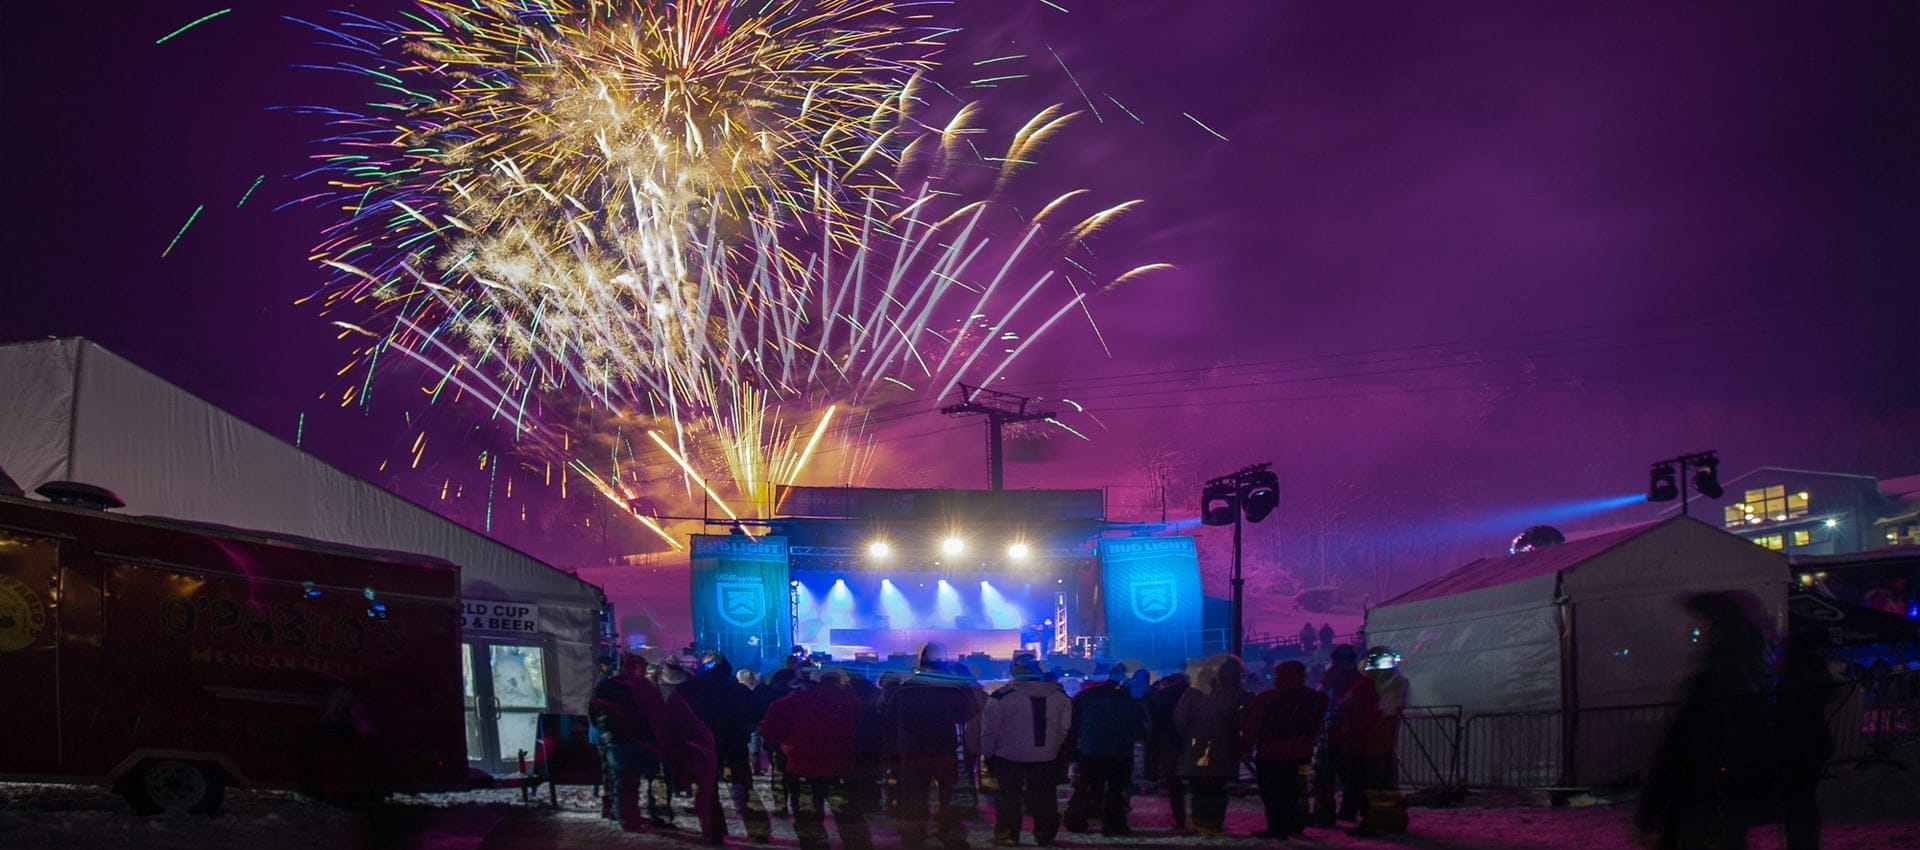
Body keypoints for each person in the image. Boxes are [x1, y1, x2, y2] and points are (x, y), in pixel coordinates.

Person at [1637, 592, 1778, 850]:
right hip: (1725, 796)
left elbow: (1678, 745)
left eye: (1706, 629)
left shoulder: (1712, 683)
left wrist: (1651, 803)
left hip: (1702, 794)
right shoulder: (1747, 682)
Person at [882, 643, 982, 850]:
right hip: (944, 748)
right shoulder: (951, 689)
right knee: (950, 797)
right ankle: (951, 836)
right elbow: (968, 712)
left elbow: (889, 715)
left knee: (913, 796)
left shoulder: (905, 689)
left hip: (912, 751)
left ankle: (914, 838)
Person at [761, 668, 873, 850]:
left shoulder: (788, 703)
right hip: (840, 766)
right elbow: (864, 729)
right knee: (848, 817)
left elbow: (770, 732)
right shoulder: (850, 700)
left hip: (802, 767)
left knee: (809, 820)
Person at [981, 656, 1072, 847]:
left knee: (1009, 797)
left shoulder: (1001, 697)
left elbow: (990, 730)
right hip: (1046, 756)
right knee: (1045, 797)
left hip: (1008, 755)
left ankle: (1008, 834)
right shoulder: (1059, 695)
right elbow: (1065, 728)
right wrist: (1053, 748)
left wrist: (988, 753)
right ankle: (1045, 834)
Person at [685, 651, 772, 842]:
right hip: (734, 742)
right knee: (742, 785)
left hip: (706, 744)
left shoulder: (694, 688)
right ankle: (757, 830)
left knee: (709, 790)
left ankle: (714, 833)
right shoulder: (736, 688)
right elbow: (756, 711)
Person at [1244, 660, 1327, 840]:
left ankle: (1277, 827)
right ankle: (1296, 825)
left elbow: (1254, 724)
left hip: (1272, 753)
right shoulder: (1315, 698)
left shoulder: (1267, 698)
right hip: (1303, 752)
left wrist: (1246, 747)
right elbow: (1318, 724)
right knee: (1299, 790)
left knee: (1274, 792)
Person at [588, 653, 668, 831]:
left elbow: (593, 713)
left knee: (623, 781)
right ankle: (657, 815)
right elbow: (658, 713)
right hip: (645, 740)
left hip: (617, 740)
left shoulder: (605, 686)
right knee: (653, 780)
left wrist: (606, 732)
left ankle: (627, 818)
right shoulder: (644, 686)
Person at [1775, 630, 1839, 850]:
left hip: (1796, 743)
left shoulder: (1794, 670)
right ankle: (1806, 843)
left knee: (1797, 801)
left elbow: (1786, 707)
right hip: (1812, 743)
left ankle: (1800, 844)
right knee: (1805, 799)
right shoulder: (1815, 668)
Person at [1064, 663, 1145, 836]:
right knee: (1116, 790)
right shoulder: (1130, 698)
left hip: (1091, 749)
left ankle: (1076, 821)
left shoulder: (1087, 695)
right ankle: (1114, 824)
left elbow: (1073, 723)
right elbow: (1139, 725)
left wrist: (1073, 749)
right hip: (1120, 750)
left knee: (1085, 786)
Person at [1174, 656, 1250, 836]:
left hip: (1195, 747)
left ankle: (1200, 822)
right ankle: (1213, 823)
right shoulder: (1239, 696)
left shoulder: (1193, 693)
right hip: (1223, 748)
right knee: (1217, 788)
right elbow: (1240, 723)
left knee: (1199, 787)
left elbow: (1179, 719)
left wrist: (1189, 736)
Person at [1340, 647, 1409, 837]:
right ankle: (1387, 820)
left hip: (1367, 745)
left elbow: (1362, 713)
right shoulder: (1393, 683)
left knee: (1371, 786)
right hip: (1378, 744)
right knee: (1381, 786)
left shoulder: (1371, 687)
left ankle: (1375, 822)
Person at [1311, 644, 1363, 825]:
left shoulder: (1330, 677)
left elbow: (1322, 702)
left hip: (1332, 731)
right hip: (1348, 733)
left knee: (1326, 775)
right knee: (1350, 775)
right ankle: (1348, 811)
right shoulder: (1357, 678)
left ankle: (1325, 812)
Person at [1145, 671, 1192, 829]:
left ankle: (1180, 820)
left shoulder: (1163, 696)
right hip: (1191, 741)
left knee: (1174, 784)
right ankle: (1205, 821)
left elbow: (1156, 721)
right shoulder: (1196, 694)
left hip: (1169, 741)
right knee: (1201, 782)